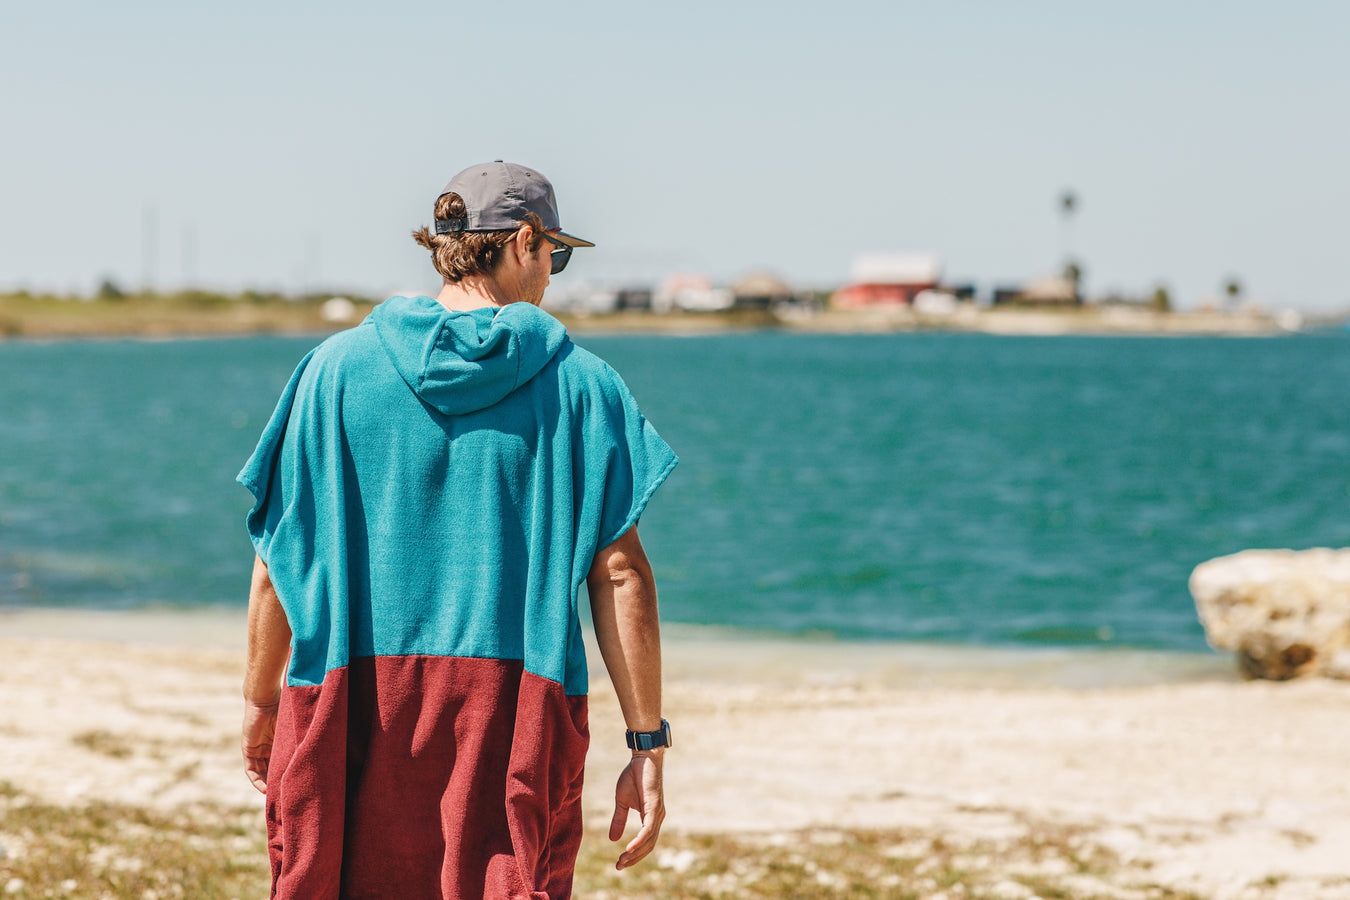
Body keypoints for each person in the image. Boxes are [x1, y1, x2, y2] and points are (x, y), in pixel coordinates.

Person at [238, 161, 677, 899]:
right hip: (512, 713)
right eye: (555, 255)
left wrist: (261, 706)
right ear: (524, 241)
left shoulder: (330, 373)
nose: (553, 274)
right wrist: (647, 743)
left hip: (350, 702)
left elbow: (277, 562)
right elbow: (621, 575)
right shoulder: (580, 383)